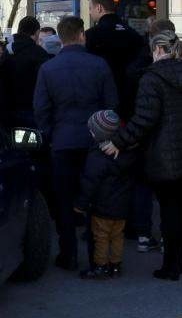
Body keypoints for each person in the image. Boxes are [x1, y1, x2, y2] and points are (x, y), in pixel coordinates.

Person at [103, 30, 182, 281]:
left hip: (161, 154)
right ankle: (178, 260)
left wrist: (118, 141)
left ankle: (170, 266)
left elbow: (144, 119)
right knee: (180, 208)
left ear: (159, 50)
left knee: (167, 209)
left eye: (153, 50)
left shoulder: (151, 78)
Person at [33, 16, 118, 270]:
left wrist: (50, 134)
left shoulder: (48, 68)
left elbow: (41, 109)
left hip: (62, 142)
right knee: (94, 198)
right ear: (82, 34)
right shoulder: (99, 65)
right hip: (94, 142)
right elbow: (112, 104)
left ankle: (67, 253)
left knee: (63, 199)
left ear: (60, 37)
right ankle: (96, 255)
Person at [124, 18, 178, 253]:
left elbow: (138, 110)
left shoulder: (138, 66)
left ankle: (144, 234)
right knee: (170, 193)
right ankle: (168, 237)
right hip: (173, 135)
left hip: (145, 136)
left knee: (143, 187)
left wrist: (124, 136)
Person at [75, 110, 136, 279]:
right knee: (117, 236)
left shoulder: (98, 155)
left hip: (102, 206)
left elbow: (90, 182)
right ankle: (116, 265)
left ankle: (100, 266)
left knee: (100, 237)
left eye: (92, 131)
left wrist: (80, 204)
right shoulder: (128, 151)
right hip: (122, 205)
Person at [85, 0, 143, 120]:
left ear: (99, 8)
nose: (89, 12)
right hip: (131, 97)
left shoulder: (91, 35)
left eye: (90, 8)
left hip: (101, 101)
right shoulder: (133, 34)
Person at [1, 16, 51, 127]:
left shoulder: (7, 52)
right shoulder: (39, 53)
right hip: (31, 109)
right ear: (37, 32)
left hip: (8, 110)